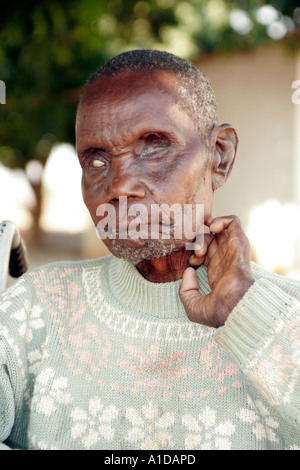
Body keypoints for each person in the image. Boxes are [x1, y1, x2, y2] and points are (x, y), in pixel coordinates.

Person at [1, 49, 300, 451]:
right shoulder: (35, 309)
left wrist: (247, 310)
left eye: (154, 145)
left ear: (220, 156)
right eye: (96, 159)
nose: (120, 185)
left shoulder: (287, 316)